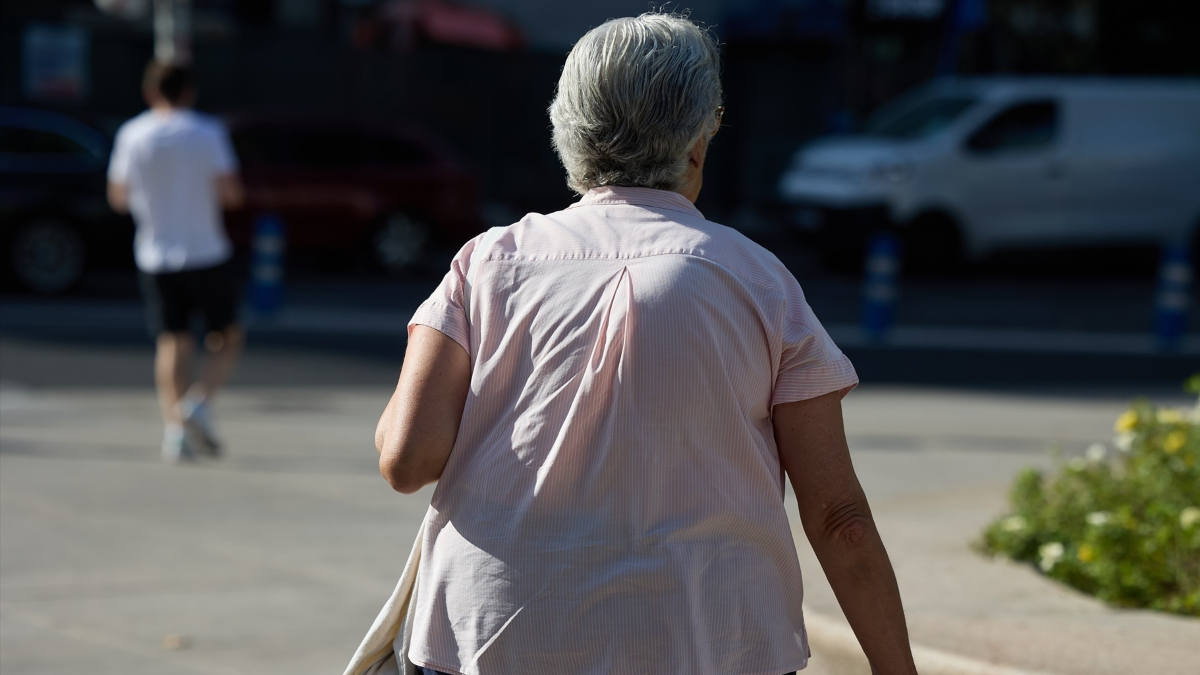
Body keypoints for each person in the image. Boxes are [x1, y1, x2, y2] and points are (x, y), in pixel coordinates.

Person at [375, 12, 917, 675]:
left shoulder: (489, 262)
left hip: (493, 634)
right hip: (712, 641)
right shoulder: (760, 280)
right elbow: (840, 517)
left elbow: (406, 459)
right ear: (697, 141)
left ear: (568, 130)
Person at [107, 60, 246, 463]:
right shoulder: (208, 132)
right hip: (205, 250)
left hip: (154, 252)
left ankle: (174, 432)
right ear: (189, 91)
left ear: (150, 91)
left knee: (172, 341)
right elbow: (231, 193)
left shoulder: (132, 134)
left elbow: (117, 197)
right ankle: (198, 403)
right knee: (228, 335)